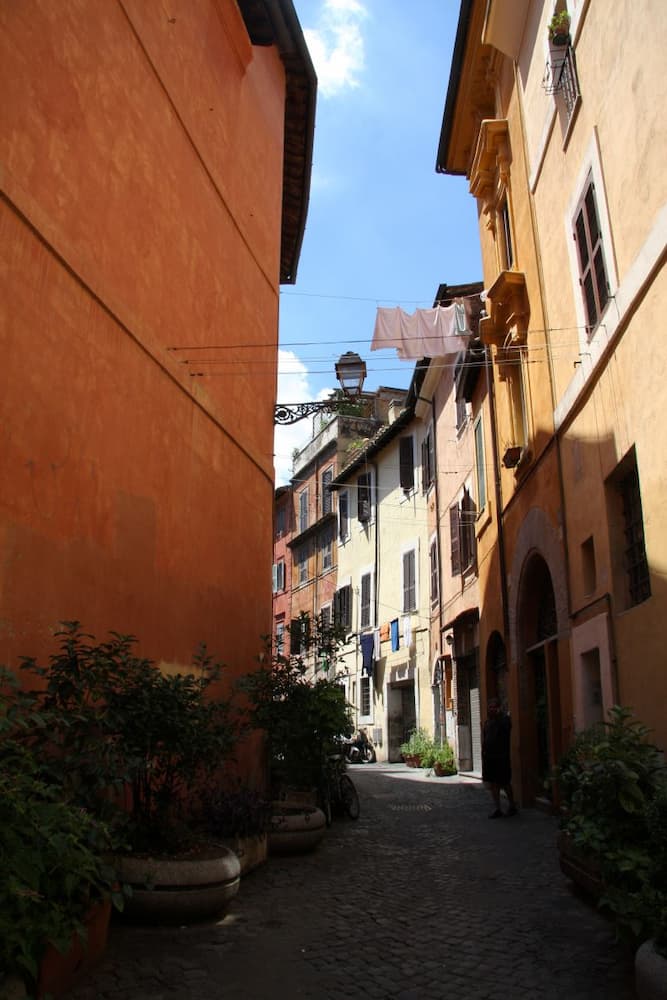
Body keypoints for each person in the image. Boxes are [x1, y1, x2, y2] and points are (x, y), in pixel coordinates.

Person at [482, 697, 518, 818]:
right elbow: (485, 739)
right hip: (490, 758)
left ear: (498, 708)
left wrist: (498, 717)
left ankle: (512, 805)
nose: (491, 709)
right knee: (493, 784)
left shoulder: (504, 720)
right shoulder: (488, 722)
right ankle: (498, 808)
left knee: (505, 783)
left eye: (493, 707)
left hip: (501, 757)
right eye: (490, 707)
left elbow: (506, 731)